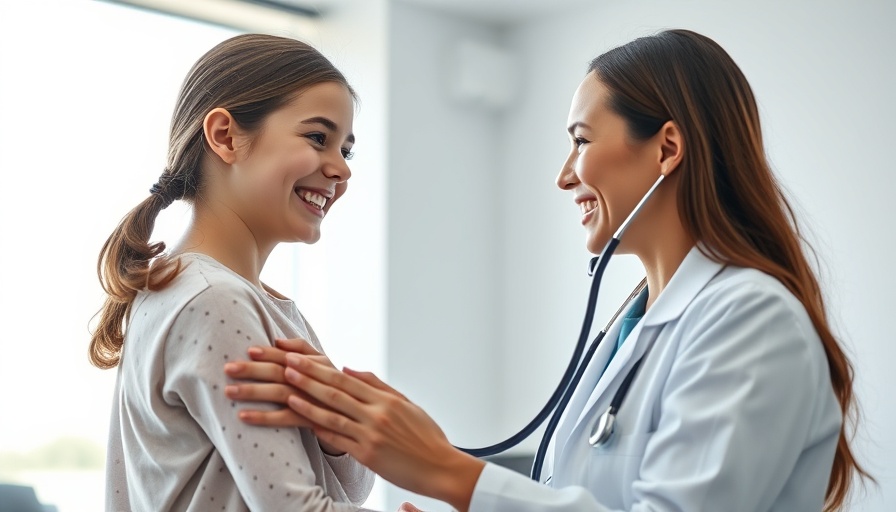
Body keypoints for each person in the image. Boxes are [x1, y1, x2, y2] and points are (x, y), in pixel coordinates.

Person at [224, 29, 871, 511]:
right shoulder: (636, 323)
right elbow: (572, 490)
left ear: (667, 148)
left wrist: (448, 472)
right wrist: (422, 445)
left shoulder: (752, 320)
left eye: (581, 141)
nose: (565, 175)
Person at [89, 33, 375, 511]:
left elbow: (346, 489)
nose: (341, 170)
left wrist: (337, 431)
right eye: (317, 138)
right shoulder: (212, 300)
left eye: (345, 151)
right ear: (224, 136)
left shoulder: (228, 297)